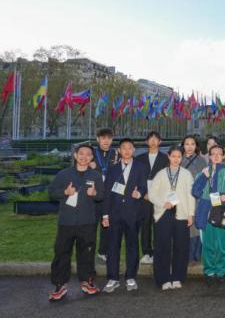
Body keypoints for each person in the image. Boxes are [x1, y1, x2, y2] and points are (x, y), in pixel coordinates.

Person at [48, 144, 105, 301]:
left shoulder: (96, 176)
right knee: (62, 253)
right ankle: (60, 284)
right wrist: (65, 192)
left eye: (88, 154)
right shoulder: (64, 174)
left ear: (92, 158)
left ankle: (87, 281)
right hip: (66, 222)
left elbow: (101, 195)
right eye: (81, 153)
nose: (84, 157)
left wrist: (95, 193)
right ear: (75, 155)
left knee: (86, 253)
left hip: (87, 222)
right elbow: (51, 192)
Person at [101, 138, 149, 293]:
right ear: (119, 151)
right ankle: (113, 278)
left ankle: (131, 277)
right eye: (124, 148)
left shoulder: (141, 167)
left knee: (132, 246)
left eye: (130, 148)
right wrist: (105, 215)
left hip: (133, 214)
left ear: (134, 150)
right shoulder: (112, 169)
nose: (127, 151)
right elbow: (107, 193)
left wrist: (139, 193)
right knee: (112, 247)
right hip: (114, 214)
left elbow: (144, 186)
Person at [192, 144, 225, 285]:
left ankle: (221, 272)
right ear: (209, 156)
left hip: (222, 212)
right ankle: (209, 272)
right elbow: (195, 192)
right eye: (213, 154)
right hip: (205, 212)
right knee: (208, 245)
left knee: (221, 245)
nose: (216, 156)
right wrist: (204, 177)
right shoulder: (203, 172)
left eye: (219, 153)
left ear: (223, 155)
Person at [150, 146, 195, 290]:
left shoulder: (187, 174)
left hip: (182, 214)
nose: (176, 159)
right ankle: (163, 278)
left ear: (182, 158)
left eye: (179, 157)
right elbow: (152, 194)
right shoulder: (161, 174)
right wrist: (163, 203)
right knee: (162, 247)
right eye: (173, 156)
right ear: (169, 157)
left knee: (181, 247)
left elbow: (191, 195)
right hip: (164, 213)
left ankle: (177, 277)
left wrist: (190, 214)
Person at [135, 131, 169, 265]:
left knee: (159, 225)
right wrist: (143, 193)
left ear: (160, 142)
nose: (153, 141)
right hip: (144, 197)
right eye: (151, 139)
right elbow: (136, 177)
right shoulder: (139, 158)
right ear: (147, 141)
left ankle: (158, 252)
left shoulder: (165, 158)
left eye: (156, 139)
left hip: (159, 197)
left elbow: (167, 178)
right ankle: (147, 252)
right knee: (145, 225)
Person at [89, 127, 118, 264]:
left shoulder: (116, 154)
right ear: (98, 139)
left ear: (112, 140)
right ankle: (89, 251)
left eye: (109, 138)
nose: (106, 141)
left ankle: (103, 252)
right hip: (93, 196)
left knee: (107, 225)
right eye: (103, 138)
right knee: (90, 226)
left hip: (110, 197)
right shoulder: (91, 153)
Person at [181, 135, 208, 262]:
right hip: (182, 198)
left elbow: (205, 179)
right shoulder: (178, 158)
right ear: (183, 145)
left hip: (197, 197)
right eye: (187, 144)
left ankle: (196, 256)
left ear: (196, 146)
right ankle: (185, 255)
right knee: (184, 226)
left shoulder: (201, 160)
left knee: (197, 226)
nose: (190, 147)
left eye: (192, 144)